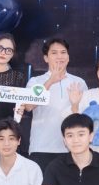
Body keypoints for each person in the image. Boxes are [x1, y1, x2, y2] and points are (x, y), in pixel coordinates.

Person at [24, 38, 88, 173]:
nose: (59, 56)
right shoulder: (35, 81)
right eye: (54, 53)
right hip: (41, 147)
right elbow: (28, 106)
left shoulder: (79, 83)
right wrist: (50, 81)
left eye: (63, 52)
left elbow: (84, 117)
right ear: (46, 58)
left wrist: (75, 104)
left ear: (68, 57)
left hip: (72, 148)